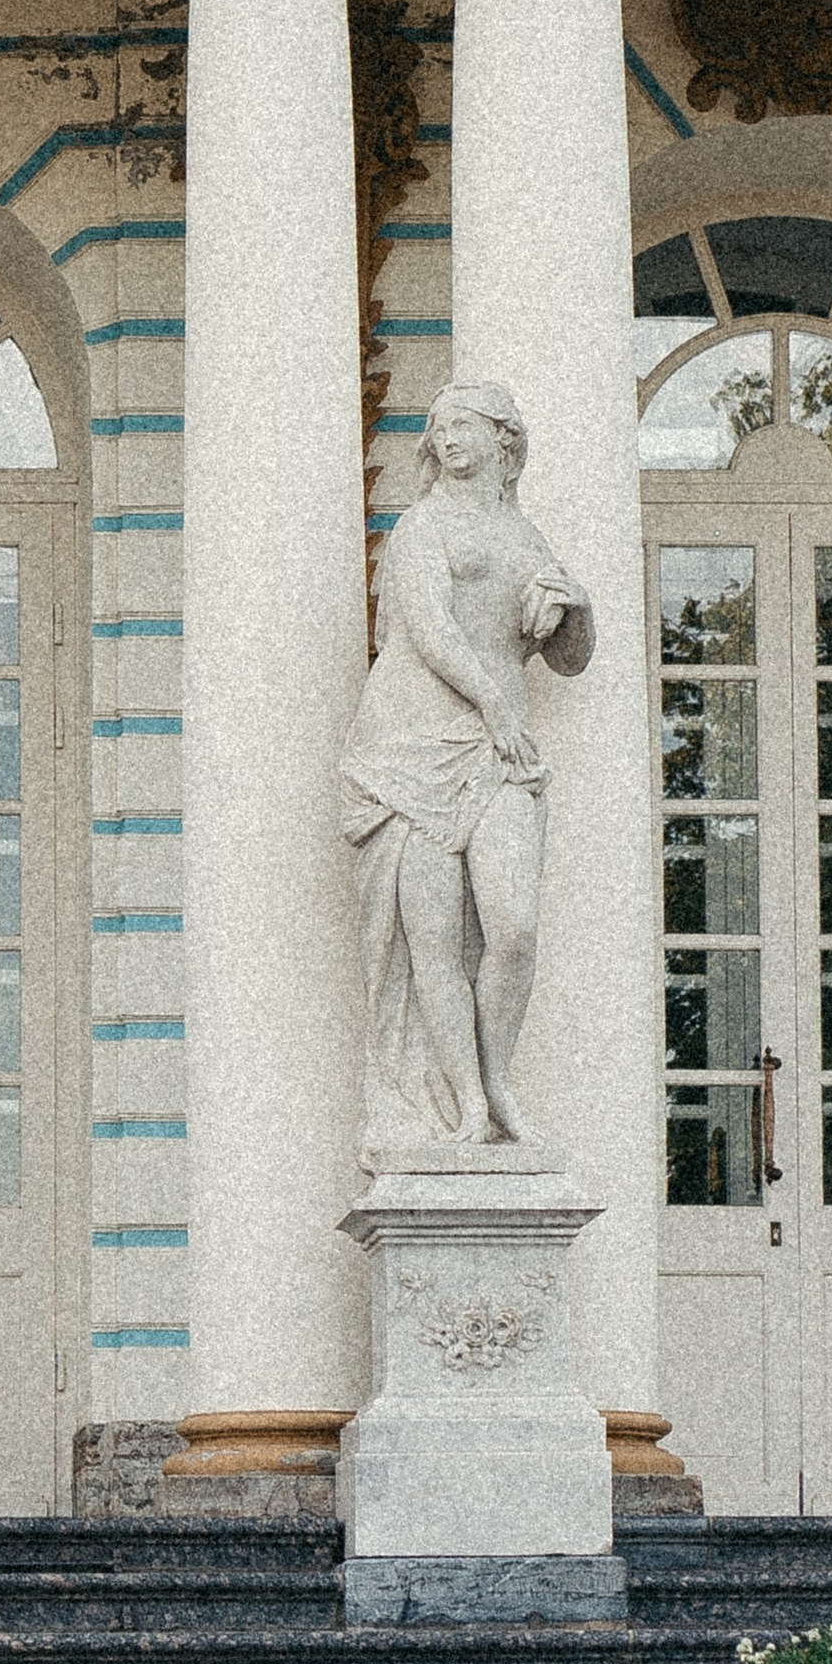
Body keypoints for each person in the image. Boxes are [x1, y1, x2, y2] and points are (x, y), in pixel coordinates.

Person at [339, 380, 592, 1151]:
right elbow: (430, 629)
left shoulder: (529, 539)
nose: (446, 439)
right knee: (434, 945)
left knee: (513, 928)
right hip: (411, 746)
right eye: (438, 428)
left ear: (504, 441)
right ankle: (469, 1107)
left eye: (463, 426)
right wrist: (495, 703)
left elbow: (570, 660)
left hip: (498, 747)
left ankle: (498, 1077)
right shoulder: (423, 526)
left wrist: (576, 609)